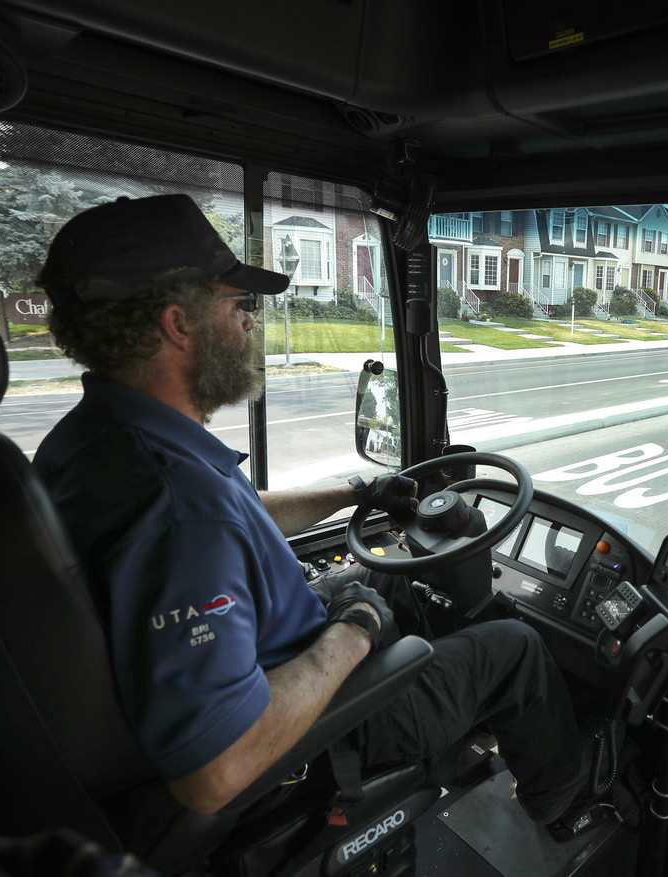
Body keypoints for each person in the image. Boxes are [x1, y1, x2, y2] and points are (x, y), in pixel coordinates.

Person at [32, 194, 597, 835]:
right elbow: (215, 769)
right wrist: (353, 632)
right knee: (515, 646)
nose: (252, 323)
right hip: (316, 736)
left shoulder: (95, 437)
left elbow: (237, 515)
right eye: (239, 304)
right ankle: (564, 806)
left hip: (262, 654)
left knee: (391, 576)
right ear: (177, 325)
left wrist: (355, 496)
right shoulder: (179, 507)